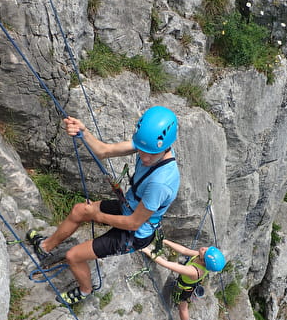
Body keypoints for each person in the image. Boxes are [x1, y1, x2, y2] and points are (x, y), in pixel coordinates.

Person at [27, 106, 180, 305]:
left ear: (166, 146)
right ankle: (45, 247)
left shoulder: (161, 183)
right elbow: (104, 151)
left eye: (150, 154)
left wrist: (97, 215)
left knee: (73, 256)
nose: (144, 157)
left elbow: (133, 223)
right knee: (80, 210)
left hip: (135, 233)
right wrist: (84, 131)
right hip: (129, 206)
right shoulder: (149, 145)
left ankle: (85, 290)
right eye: (141, 150)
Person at [141, 238, 225, 320]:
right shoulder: (200, 257)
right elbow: (184, 250)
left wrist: (145, 249)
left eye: (205, 251)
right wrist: (165, 241)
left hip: (185, 290)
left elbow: (166, 264)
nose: (203, 248)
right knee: (183, 306)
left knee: (183, 308)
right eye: (207, 248)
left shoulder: (194, 271)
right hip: (188, 285)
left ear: (204, 261)